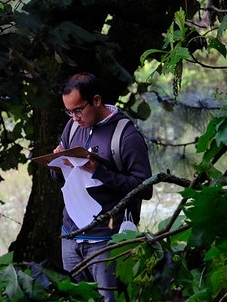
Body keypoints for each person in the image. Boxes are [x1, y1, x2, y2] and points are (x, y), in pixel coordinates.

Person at [51, 72, 152, 301]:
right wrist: (56, 165)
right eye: (69, 111)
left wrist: (99, 172)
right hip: (70, 234)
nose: (74, 117)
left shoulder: (126, 136)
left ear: (96, 101)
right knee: (76, 298)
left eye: (78, 110)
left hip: (106, 239)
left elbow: (145, 188)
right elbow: (63, 179)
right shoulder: (73, 127)